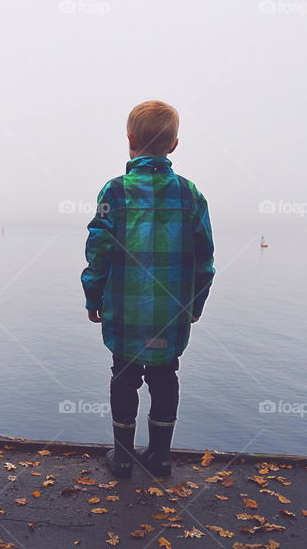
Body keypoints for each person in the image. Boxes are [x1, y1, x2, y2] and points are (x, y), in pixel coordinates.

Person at [81, 100, 215, 478]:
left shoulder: (116, 191)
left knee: (123, 377)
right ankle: (160, 457)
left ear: (129, 139)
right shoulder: (190, 195)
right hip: (170, 314)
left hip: (124, 311)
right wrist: (195, 305)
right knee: (165, 375)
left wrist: (93, 296)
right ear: (174, 145)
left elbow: (99, 250)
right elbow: (205, 259)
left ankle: (122, 457)